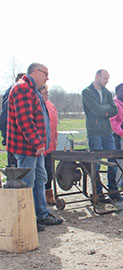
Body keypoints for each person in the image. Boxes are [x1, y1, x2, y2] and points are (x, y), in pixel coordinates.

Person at [7, 63, 63, 231]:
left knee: (40, 179)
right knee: (28, 182)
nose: (47, 77)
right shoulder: (22, 88)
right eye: (45, 73)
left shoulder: (32, 90)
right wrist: (38, 142)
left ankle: (41, 214)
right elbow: (24, 121)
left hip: (35, 148)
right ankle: (28, 218)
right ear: (36, 72)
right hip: (27, 147)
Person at [82, 69, 121, 201]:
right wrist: (105, 110)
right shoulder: (86, 92)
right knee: (96, 163)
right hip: (94, 132)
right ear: (97, 76)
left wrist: (102, 110)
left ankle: (113, 189)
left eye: (108, 79)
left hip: (107, 132)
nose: (107, 81)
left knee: (113, 160)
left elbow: (114, 110)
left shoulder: (107, 92)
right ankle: (97, 193)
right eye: (105, 78)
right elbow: (94, 110)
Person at [0, 72, 26, 167]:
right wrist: (7, 138)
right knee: (15, 173)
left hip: (19, 141)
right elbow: (3, 120)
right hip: (15, 142)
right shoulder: (14, 95)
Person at [39, 84, 58, 205]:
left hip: (51, 144)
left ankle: (48, 194)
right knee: (41, 172)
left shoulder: (51, 105)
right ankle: (40, 196)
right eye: (44, 93)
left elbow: (54, 125)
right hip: (40, 145)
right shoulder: (37, 105)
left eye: (47, 93)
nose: (46, 95)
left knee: (50, 171)